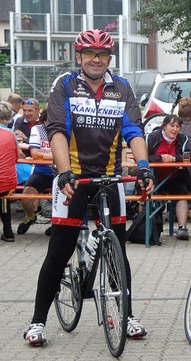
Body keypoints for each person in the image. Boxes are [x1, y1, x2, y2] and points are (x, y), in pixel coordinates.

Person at [24, 29, 155, 347]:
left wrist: (143, 166)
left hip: (110, 178)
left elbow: (134, 129)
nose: (97, 59)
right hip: (75, 180)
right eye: (90, 53)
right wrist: (65, 173)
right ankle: (38, 321)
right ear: (79, 56)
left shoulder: (122, 88)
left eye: (103, 54)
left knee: (119, 253)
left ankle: (128, 314)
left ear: (109, 58)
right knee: (59, 250)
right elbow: (57, 129)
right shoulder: (65, 85)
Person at [147, 114, 191, 240]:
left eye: (178, 126)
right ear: (164, 126)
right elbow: (144, 157)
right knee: (147, 192)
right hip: (155, 176)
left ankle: (182, 228)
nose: (175, 129)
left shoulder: (183, 138)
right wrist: (160, 158)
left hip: (175, 176)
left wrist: (174, 158)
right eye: (172, 126)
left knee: (182, 194)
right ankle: (147, 226)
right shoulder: (152, 137)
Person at [16, 108, 54, 235]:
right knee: (25, 198)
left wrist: (43, 154)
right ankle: (31, 216)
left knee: (62, 200)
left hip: (59, 172)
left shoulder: (64, 130)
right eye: (48, 121)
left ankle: (57, 224)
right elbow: (34, 153)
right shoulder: (38, 129)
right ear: (43, 120)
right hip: (41, 172)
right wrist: (57, 155)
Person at [0, 101, 18, 242]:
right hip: (8, 182)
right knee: (4, 200)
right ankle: (8, 232)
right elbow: (16, 157)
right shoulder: (11, 135)